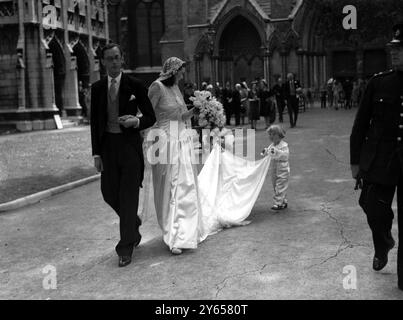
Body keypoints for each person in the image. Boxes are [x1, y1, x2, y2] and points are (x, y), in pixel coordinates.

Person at [90, 43, 156, 267]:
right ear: (103, 62)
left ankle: (126, 247)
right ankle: (133, 223)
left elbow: (150, 116)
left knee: (128, 197)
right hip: (108, 147)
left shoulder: (135, 84)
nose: (114, 62)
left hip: (129, 147)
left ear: (122, 59)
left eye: (117, 57)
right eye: (110, 59)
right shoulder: (97, 88)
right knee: (109, 193)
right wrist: (96, 154)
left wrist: (136, 121)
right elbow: (94, 124)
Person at [350, 23, 403, 291]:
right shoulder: (379, 82)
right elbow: (360, 124)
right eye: (393, 48)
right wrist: (355, 162)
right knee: (373, 206)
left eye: (400, 49)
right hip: (381, 160)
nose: (394, 53)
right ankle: (383, 243)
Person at [148, 57, 200, 255]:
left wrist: (197, 110)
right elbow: (148, 114)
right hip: (165, 141)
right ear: (174, 70)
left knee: (185, 185)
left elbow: (181, 117)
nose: (183, 74)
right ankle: (174, 236)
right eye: (181, 70)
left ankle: (186, 232)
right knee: (172, 186)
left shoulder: (176, 89)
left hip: (181, 141)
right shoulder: (157, 87)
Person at [262, 125, 290, 211]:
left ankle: (278, 203)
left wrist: (277, 152)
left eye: (273, 134)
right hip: (274, 167)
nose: (271, 137)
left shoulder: (284, 145)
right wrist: (266, 151)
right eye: (270, 134)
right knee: (275, 185)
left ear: (279, 135)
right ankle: (283, 201)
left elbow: (285, 155)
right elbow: (269, 152)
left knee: (280, 185)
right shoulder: (272, 145)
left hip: (282, 168)